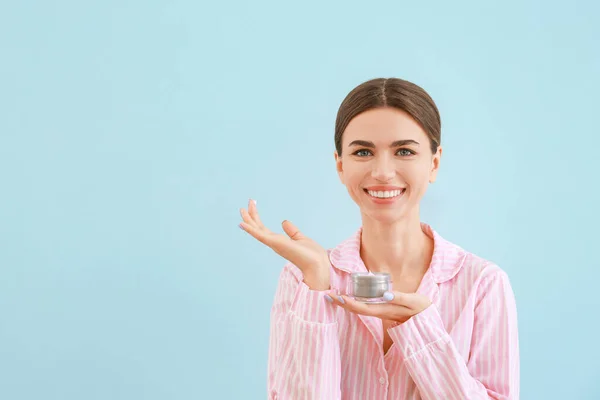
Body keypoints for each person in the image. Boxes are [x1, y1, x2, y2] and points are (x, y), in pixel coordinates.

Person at [238, 77, 520, 400]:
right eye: (362, 152)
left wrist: (420, 330)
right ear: (340, 166)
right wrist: (317, 283)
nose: (383, 172)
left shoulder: (484, 286)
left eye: (403, 151)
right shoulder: (299, 280)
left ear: (434, 163)